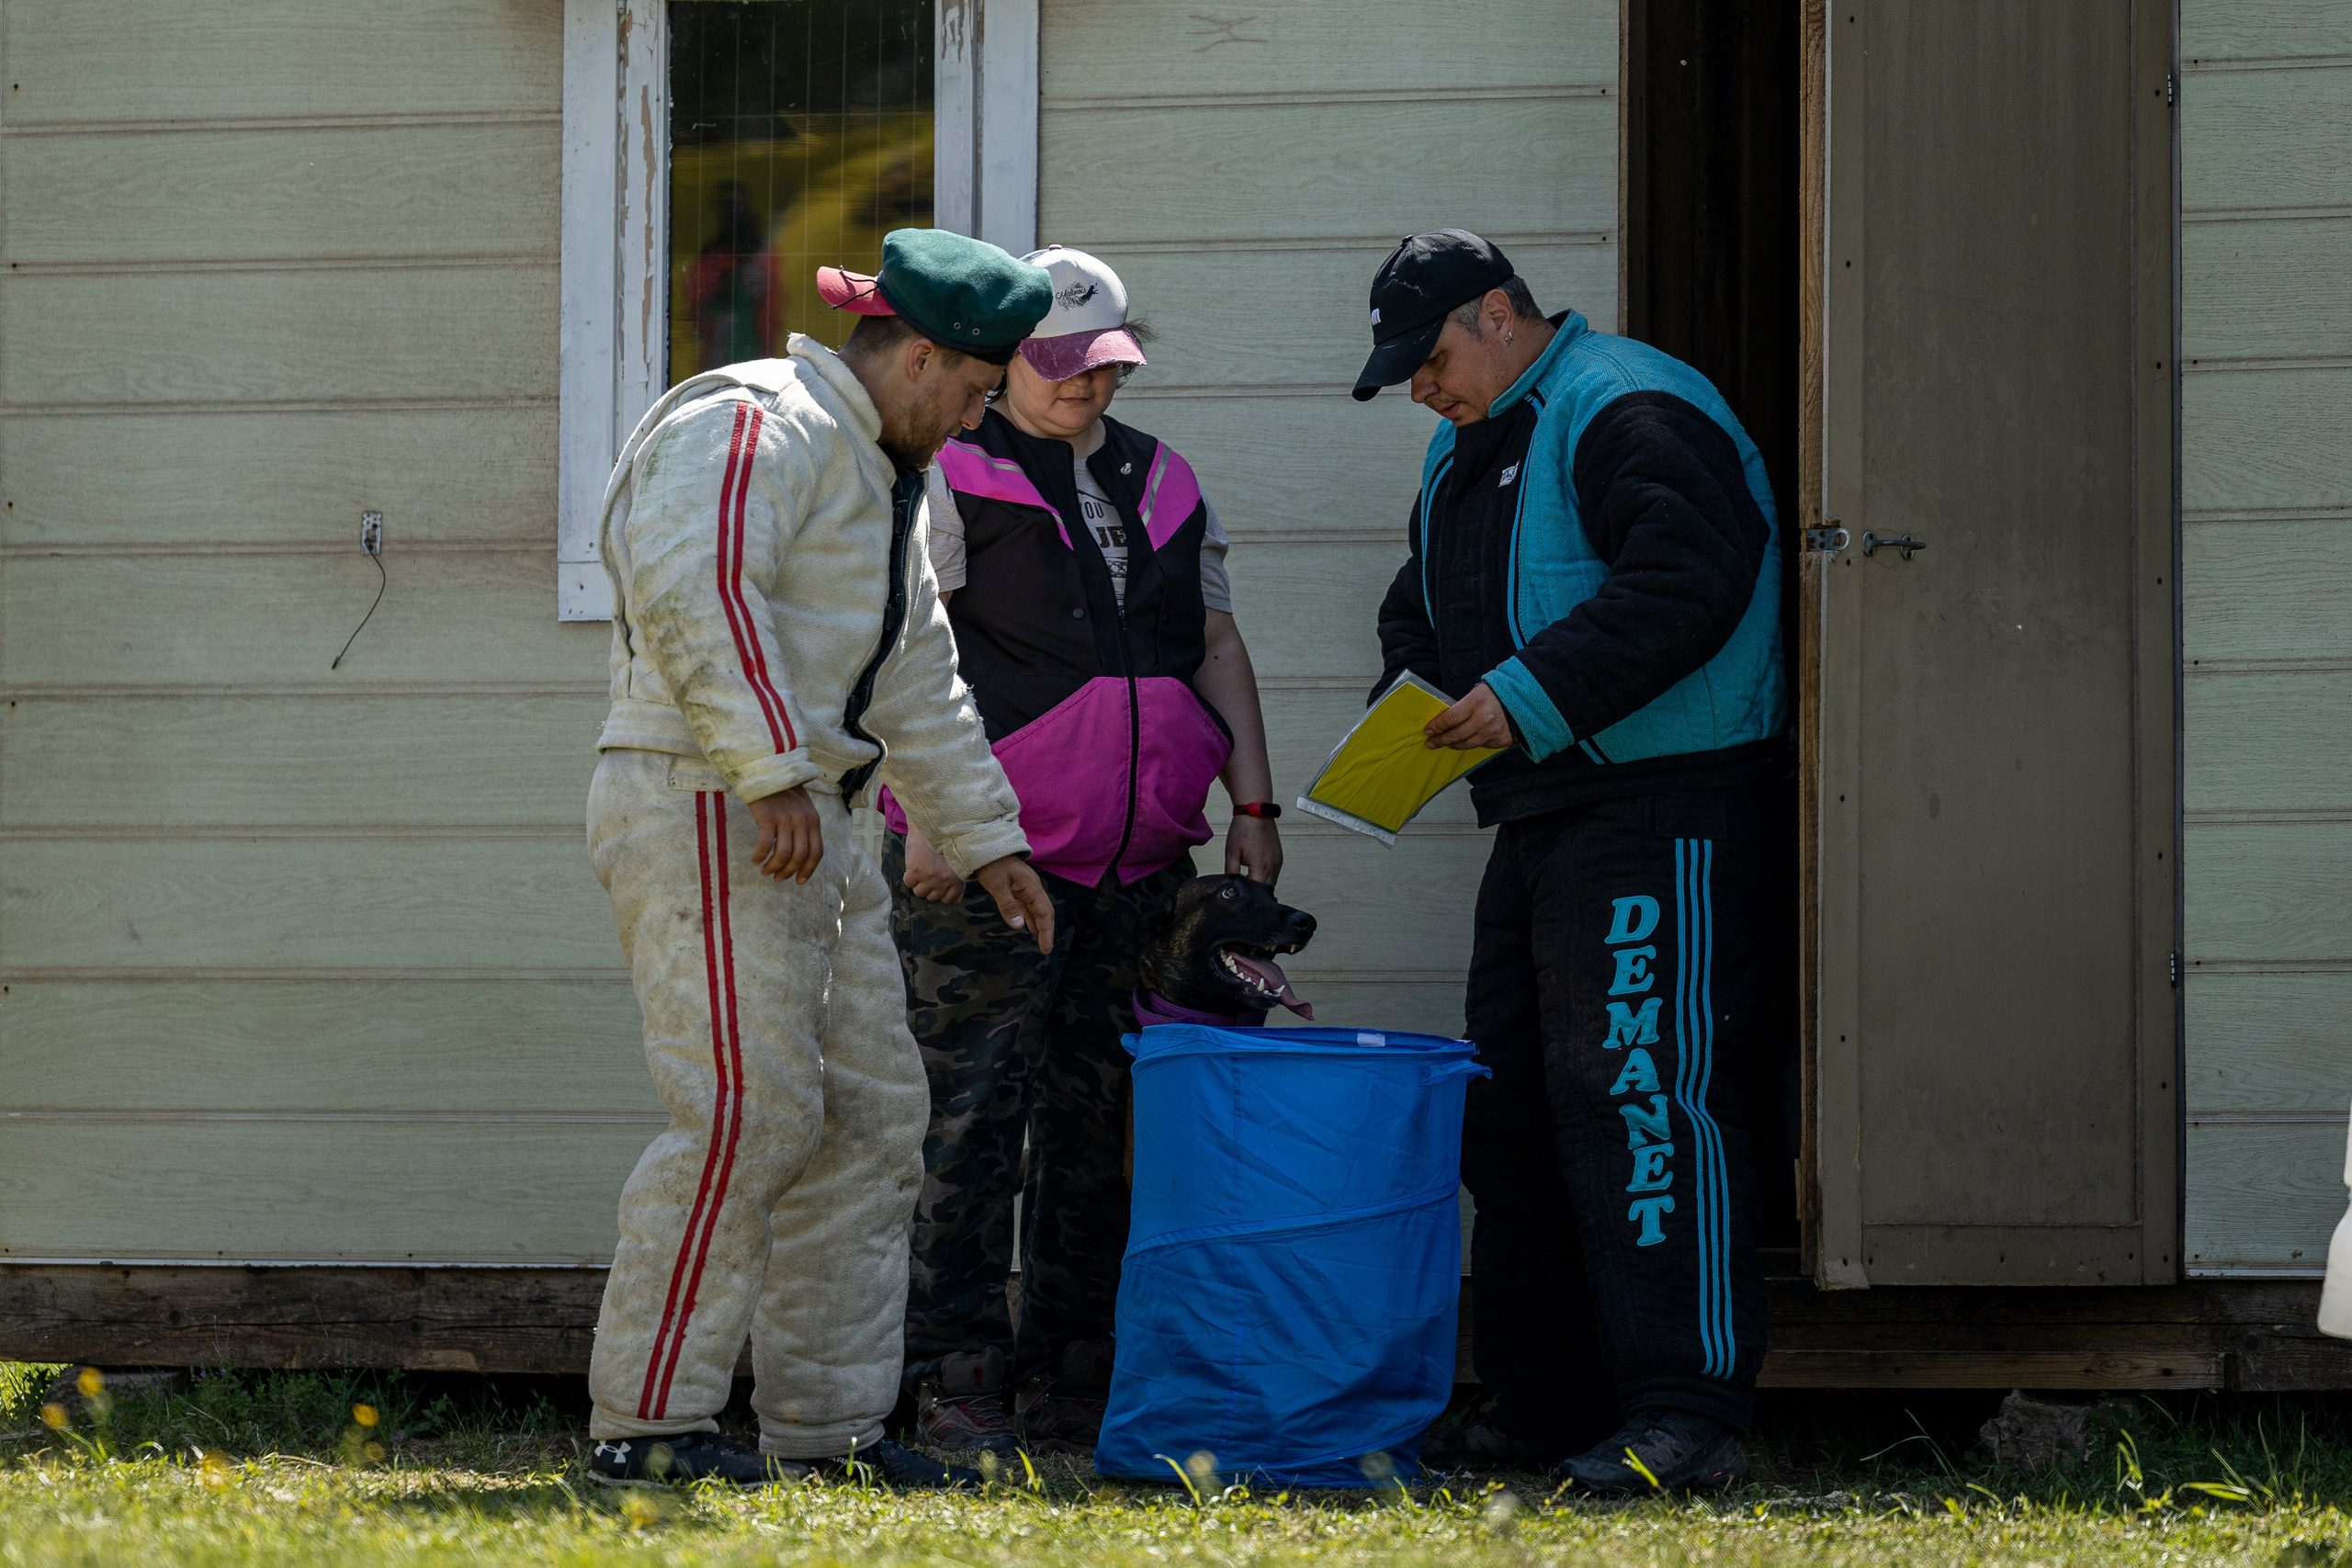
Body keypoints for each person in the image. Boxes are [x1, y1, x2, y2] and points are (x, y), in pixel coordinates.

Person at [582, 227, 1060, 1489]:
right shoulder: (758, 421)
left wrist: (982, 835)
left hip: (799, 811)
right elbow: (695, 585)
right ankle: (649, 1425)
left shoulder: (878, 468)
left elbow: (916, 676)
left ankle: (830, 1432)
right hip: (710, 795)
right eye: (967, 393)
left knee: (868, 1119)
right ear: (916, 356)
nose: (969, 420)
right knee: (747, 1110)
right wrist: (772, 766)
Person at [1355, 230, 1784, 1492]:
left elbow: (1693, 573)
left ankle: (1687, 1410)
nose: (1423, 393)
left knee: (1643, 1097)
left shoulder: (1628, 404)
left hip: (1665, 809)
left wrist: (1528, 693)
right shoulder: (1468, 444)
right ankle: (1546, 1408)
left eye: (1430, 361)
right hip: (1547, 814)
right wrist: (1414, 711)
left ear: (1499, 314)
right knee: (1521, 1103)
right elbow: (1418, 608)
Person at [886, 245, 1283, 1458]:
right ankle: (950, 1379)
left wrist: (1254, 809)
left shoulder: (1166, 480)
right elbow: (908, 655)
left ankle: (1077, 1374)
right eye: (1058, 366)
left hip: (1141, 868)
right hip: (988, 865)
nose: (1083, 388)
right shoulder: (951, 472)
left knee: (1108, 1126)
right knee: (970, 1124)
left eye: (1101, 366)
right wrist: (935, 819)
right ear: (1001, 361)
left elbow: (1213, 637)